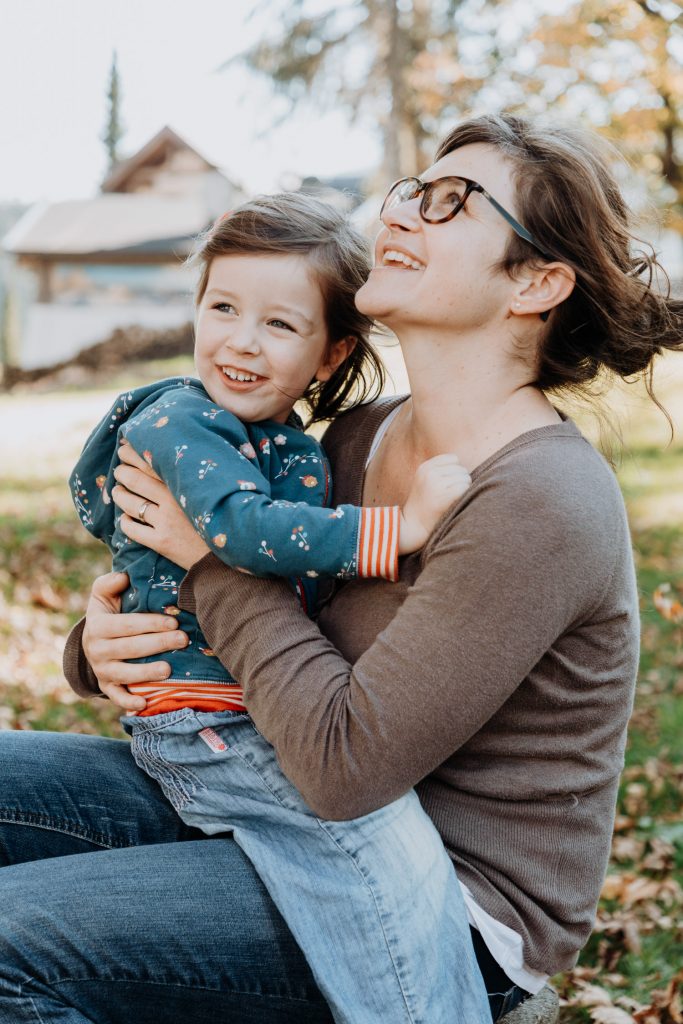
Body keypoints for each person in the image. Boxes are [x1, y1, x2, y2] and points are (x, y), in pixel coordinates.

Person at [1, 112, 682, 1024]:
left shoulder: (541, 498)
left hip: (439, 903)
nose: (402, 212)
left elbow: (344, 766)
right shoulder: (358, 435)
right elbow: (255, 603)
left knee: (12, 946)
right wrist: (106, 645)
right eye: (411, 189)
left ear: (535, 281)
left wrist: (208, 561)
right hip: (259, 793)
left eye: (451, 202)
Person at [67, 191, 486, 1024]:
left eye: (279, 325)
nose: (241, 341)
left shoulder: (283, 435)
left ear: (330, 357)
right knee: (368, 858)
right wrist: (398, 529)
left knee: (366, 863)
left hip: (230, 707)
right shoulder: (187, 420)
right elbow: (243, 531)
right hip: (214, 718)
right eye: (222, 307)